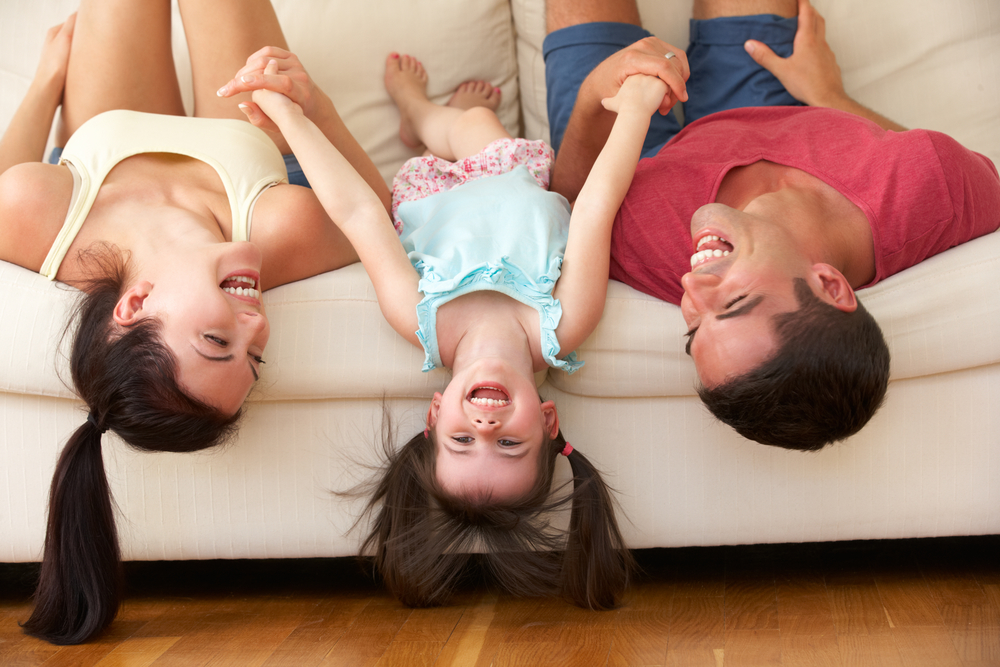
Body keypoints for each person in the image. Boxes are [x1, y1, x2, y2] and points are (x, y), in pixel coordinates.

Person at [1, 0, 388, 645]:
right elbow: (375, 215)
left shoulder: (41, 217)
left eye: (218, 342)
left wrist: (45, 81)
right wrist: (311, 112)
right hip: (246, 153)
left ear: (132, 307)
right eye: (253, 357)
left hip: (100, 137)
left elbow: (4, 179)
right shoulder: (277, 231)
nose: (256, 328)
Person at [236, 52, 676, 609]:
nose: (485, 424)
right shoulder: (561, 325)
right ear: (546, 420)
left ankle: (418, 111)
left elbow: (359, 214)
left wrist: (290, 122)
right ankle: (442, 114)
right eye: (509, 443)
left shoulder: (420, 320)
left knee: (460, 129)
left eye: (462, 440)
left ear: (435, 413)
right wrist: (635, 107)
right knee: (476, 128)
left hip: (427, 195)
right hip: (509, 173)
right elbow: (595, 207)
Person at [544, 0, 1000, 450]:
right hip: (776, 105)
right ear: (829, 285)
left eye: (695, 329)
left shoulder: (649, 244)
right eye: (736, 301)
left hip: (632, 148)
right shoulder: (931, 186)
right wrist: (829, 95)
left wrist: (594, 93)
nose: (692, 288)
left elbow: (571, 203)